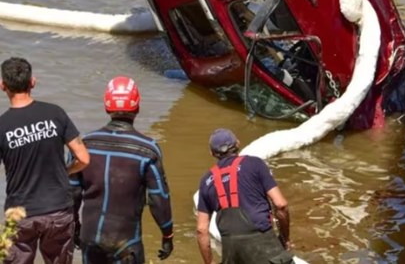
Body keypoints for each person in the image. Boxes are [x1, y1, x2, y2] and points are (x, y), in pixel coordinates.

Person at [70, 76, 174, 263]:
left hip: (91, 237)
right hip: (127, 241)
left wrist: (74, 228)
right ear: (137, 107)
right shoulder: (147, 149)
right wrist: (167, 234)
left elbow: (71, 194)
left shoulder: (84, 145)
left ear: (106, 106)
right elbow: (159, 198)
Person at [0, 57, 90, 263]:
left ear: (2, 86)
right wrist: (65, 171)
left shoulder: (2, 126)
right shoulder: (55, 113)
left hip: (20, 213)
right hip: (58, 209)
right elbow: (84, 158)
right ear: (32, 82)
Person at [196, 129, 293, 264]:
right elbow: (280, 205)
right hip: (263, 243)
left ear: (212, 153)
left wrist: (209, 262)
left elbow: (201, 230)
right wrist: (284, 237)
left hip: (231, 250)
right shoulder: (255, 164)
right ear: (238, 143)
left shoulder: (206, 181)